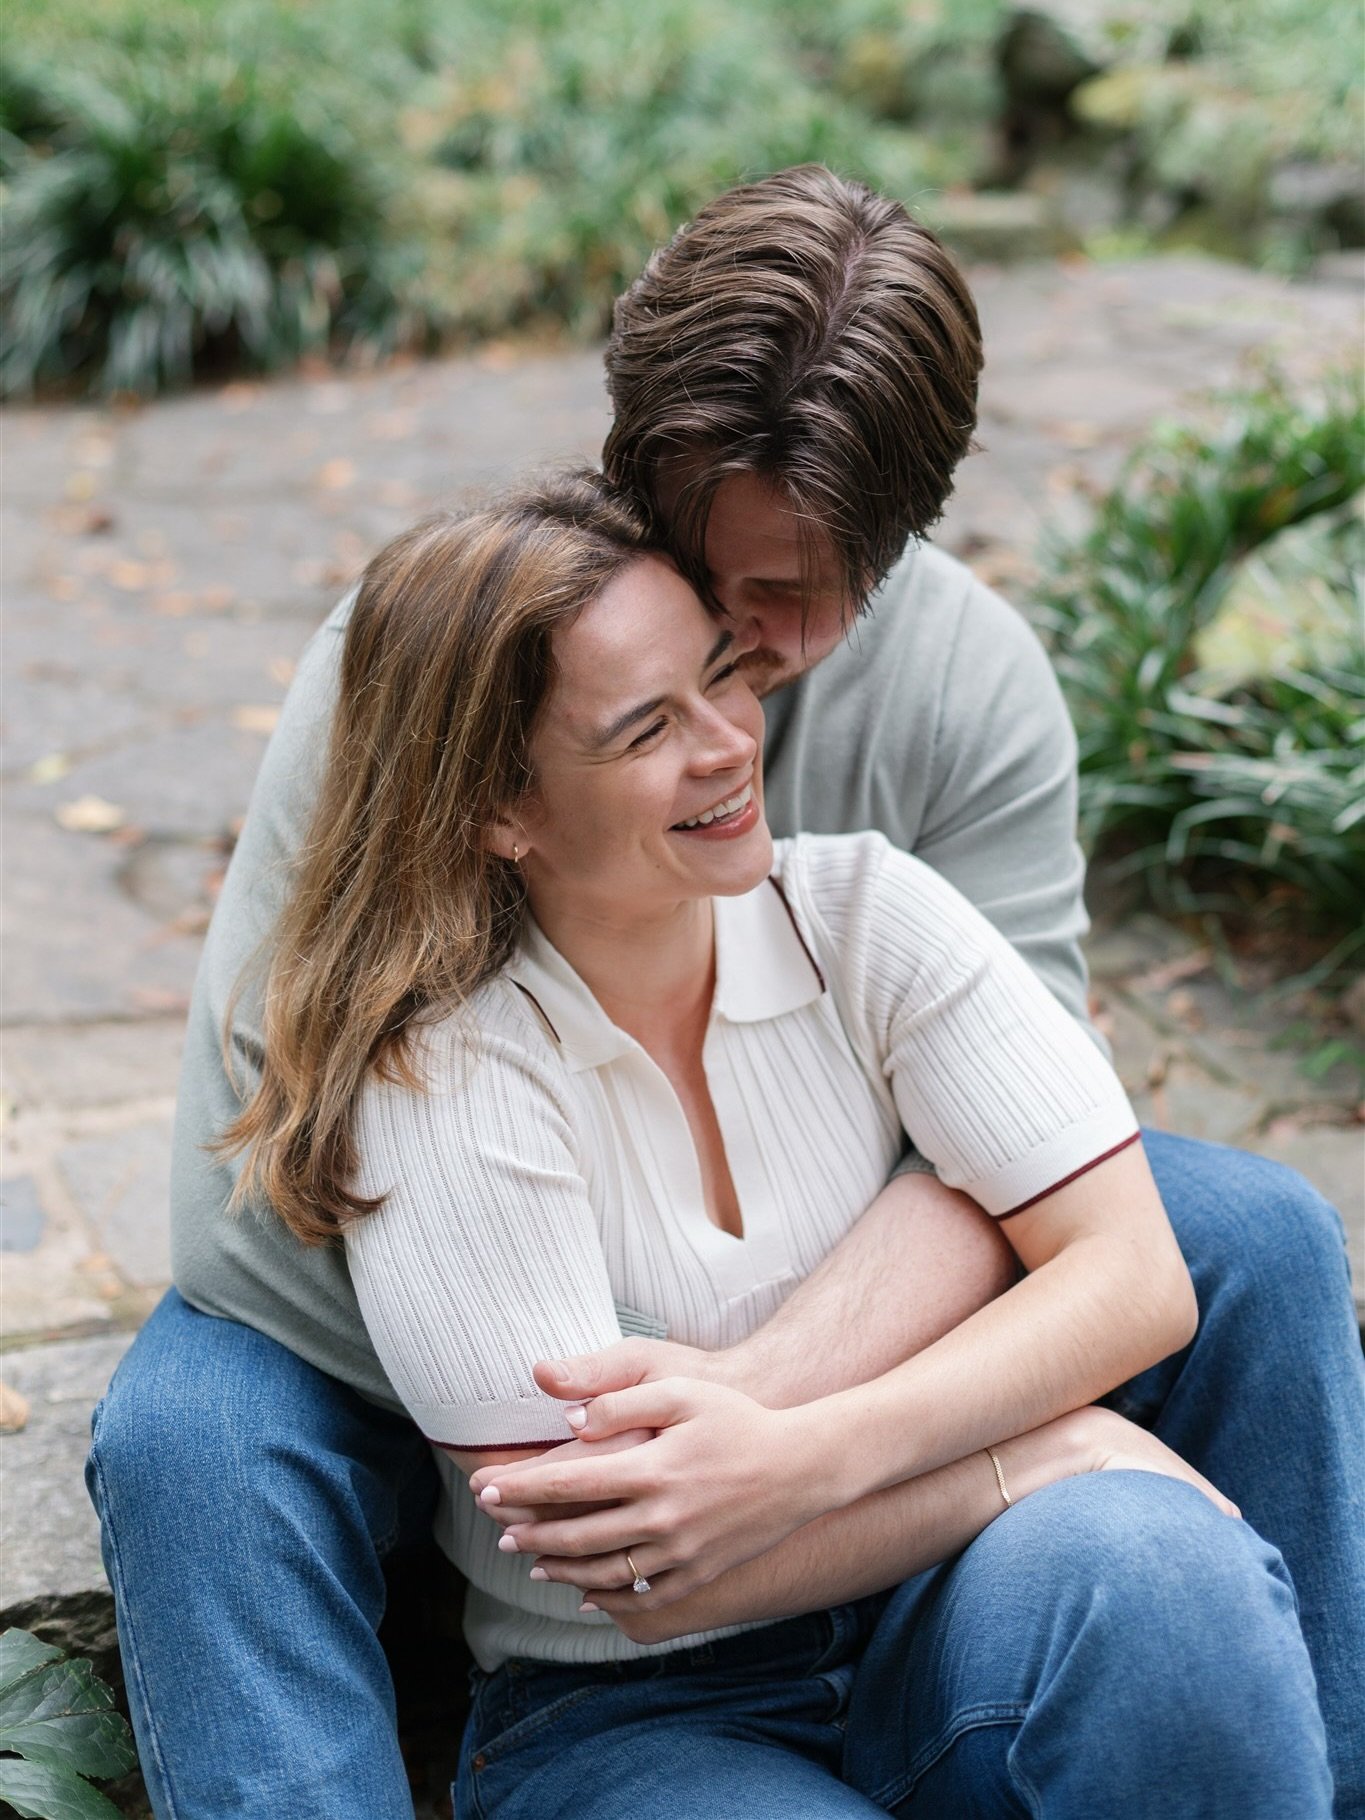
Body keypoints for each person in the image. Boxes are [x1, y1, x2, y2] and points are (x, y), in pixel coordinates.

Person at [84, 167, 1364, 1818]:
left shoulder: (958, 711)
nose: (739, 657)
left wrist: (755, 1415)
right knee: (194, 1436)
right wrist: (598, 1418)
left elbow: (1029, 1142)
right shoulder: (441, 670)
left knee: (1252, 1239)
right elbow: (266, 1183)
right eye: (704, 566)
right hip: (414, 1325)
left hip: (809, 1310)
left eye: (793, 596)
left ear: (897, 542)